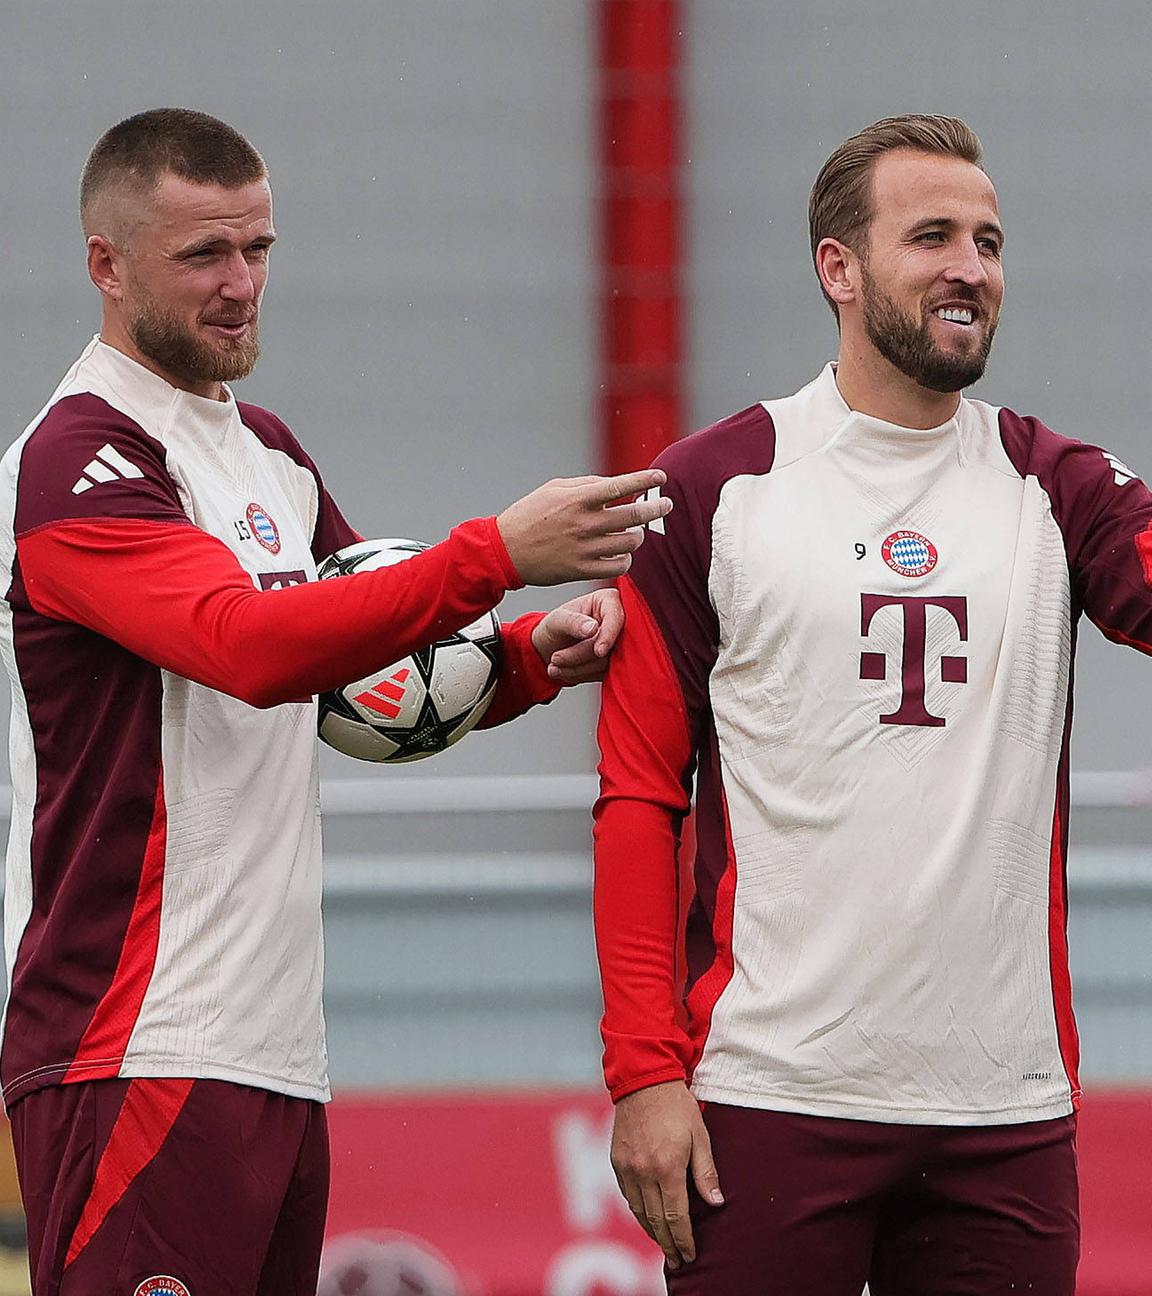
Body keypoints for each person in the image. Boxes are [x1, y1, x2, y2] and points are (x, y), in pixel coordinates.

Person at [0, 108, 671, 1296]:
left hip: (275, 1050)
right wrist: (499, 552)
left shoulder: (267, 453)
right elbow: (245, 646)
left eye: (258, 247)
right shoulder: (79, 461)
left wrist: (525, 658)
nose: (242, 283)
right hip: (130, 1044)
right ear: (106, 265)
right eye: (204, 254)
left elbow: (372, 682)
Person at [594, 113, 1150, 1295]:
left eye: (990, 242)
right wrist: (644, 1072)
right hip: (769, 1095)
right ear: (837, 269)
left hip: (1004, 1109)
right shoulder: (710, 489)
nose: (972, 266)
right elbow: (639, 794)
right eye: (934, 236)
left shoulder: (1059, 486)